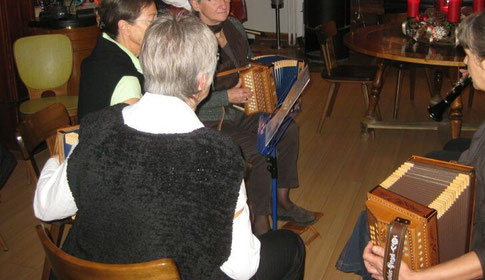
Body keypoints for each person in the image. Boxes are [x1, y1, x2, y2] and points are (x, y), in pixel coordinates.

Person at [34, 15, 305, 280]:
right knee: (291, 246)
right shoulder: (219, 155)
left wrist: (56, 160)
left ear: (145, 63)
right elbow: (242, 268)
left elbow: (46, 209)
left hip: (83, 271)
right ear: (203, 82)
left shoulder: (98, 126)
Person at [361, 0, 485, 279]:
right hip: (480, 212)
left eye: (468, 55)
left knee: (378, 228)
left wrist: (413, 278)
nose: (464, 62)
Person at [186, 0, 316, 235]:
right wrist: (226, 96)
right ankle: (260, 218)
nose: (224, 4)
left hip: (243, 110)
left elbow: (247, 64)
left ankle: (282, 200)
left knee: (287, 129)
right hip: (208, 120)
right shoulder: (188, 38)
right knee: (259, 149)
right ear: (195, 4)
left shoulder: (233, 26)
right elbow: (183, 94)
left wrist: (270, 87)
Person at [77, 0, 156, 120]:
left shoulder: (101, 52)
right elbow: (134, 137)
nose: (157, 25)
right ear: (125, 27)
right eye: (151, 20)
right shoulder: (127, 80)